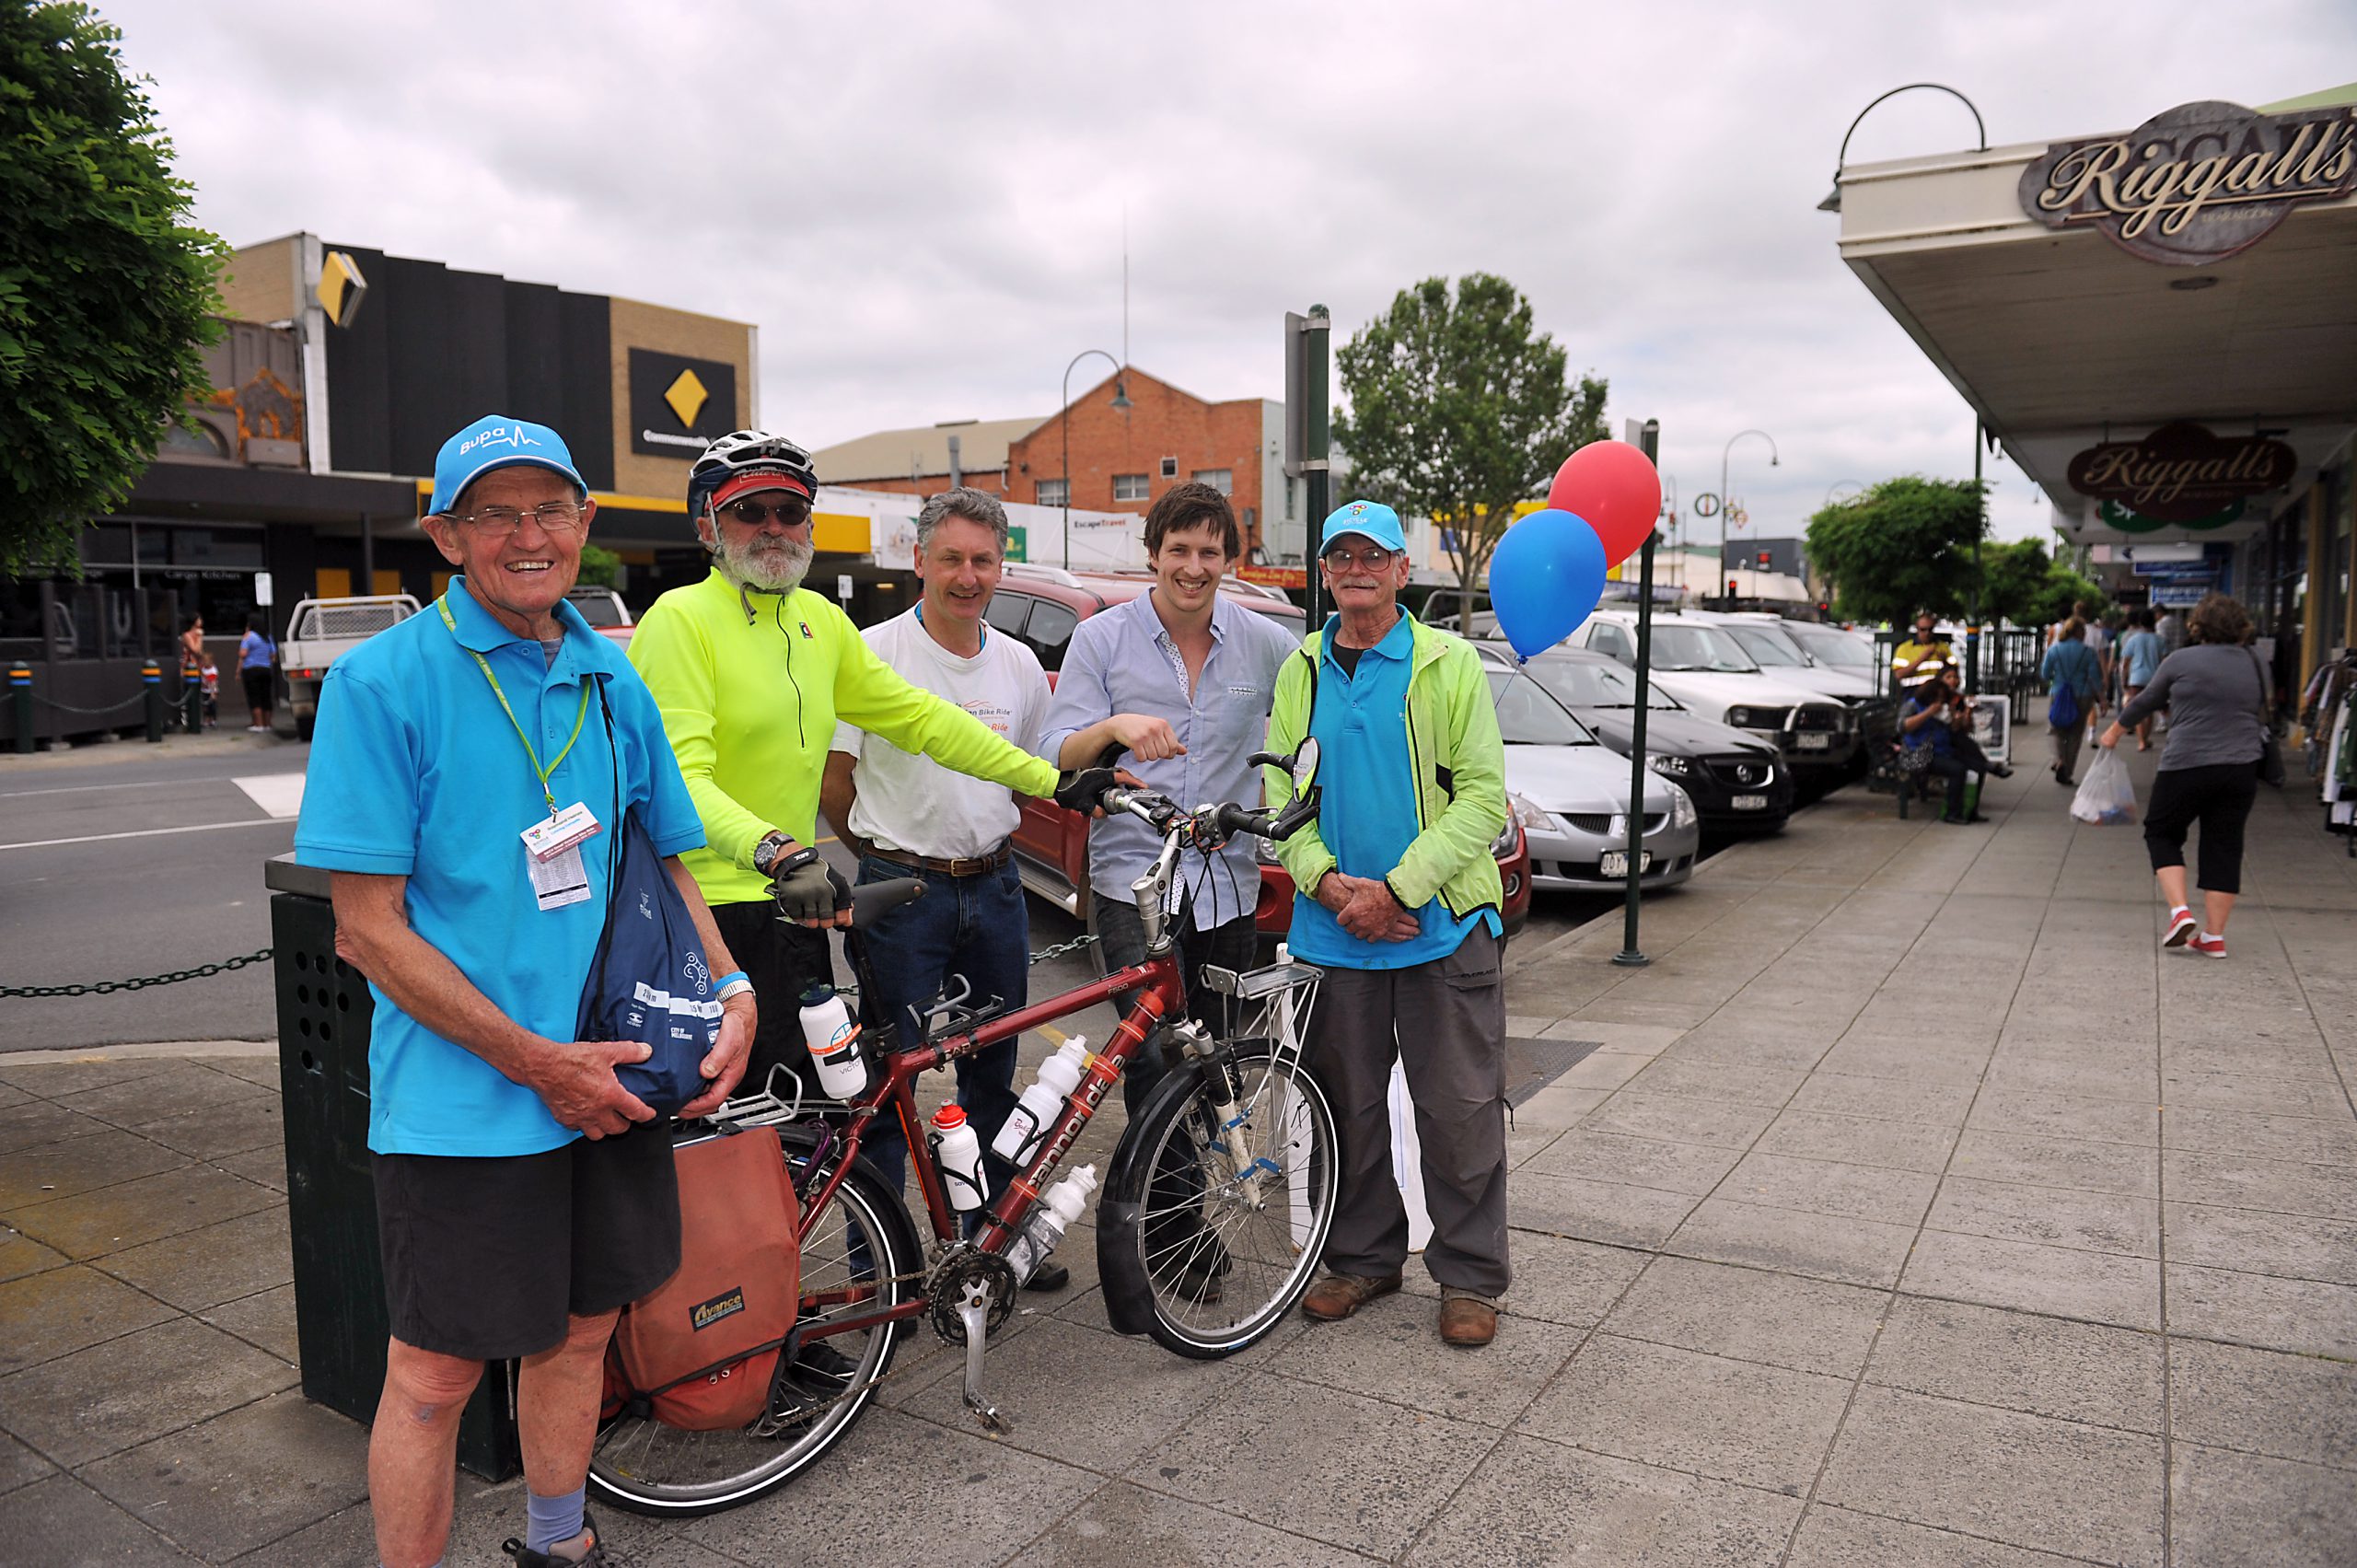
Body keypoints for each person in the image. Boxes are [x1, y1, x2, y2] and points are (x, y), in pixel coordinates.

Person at [294, 415, 756, 1568]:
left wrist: (732, 981)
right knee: (433, 1376)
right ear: (447, 536)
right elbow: (364, 928)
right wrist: (537, 1063)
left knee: (582, 1333)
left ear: (584, 522)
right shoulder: (379, 683)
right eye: (493, 513)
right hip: (467, 1104)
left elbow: (664, 859)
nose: (527, 534)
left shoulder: (611, 674)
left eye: (548, 507)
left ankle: (561, 1543)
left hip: (613, 1076)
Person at [628, 432, 1105, 1104]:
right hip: (711, 914)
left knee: (810, 1111)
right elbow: (680, 781)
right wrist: (777, 850)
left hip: (794, 906)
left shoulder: (819, 620)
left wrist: (1052, 781)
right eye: (750, 511)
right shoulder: (681, 620)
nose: (773, 527)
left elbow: (923, 719)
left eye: (790, 511)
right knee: (725, 1119)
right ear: (708, 524)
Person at [820, 488, 1113, 1289]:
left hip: (994, 889)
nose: (967, 575)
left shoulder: (1018, 665)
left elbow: (1025, 778)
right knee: (888, 1086)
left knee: (993, 1078)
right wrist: (884, 860)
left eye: (983, 560)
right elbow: (836, 784)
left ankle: (987, 1245)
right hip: (900, 894)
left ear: (1000, 566)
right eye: (950, 557)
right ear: (919, 560)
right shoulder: (870, 653)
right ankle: (880, 1272)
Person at [1264, 500, 1511, 1349]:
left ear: (1403, 570)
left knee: (1459, 1111)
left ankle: (1469, 1276)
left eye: (1374, 555)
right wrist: (1331, 886)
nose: (1357, 569)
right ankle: (1361, 1259)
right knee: (1347, 1111)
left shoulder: (1450, 662)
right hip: (1333, 931)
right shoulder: (1300, 669)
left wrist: (1398, 892)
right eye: (1342, 556)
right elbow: (1281, 795)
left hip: (1439, 927)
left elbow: (1483, 798)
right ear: (1323, 572)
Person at [1039, 481, 1299, 1118]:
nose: (1193, 567)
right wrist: (1113, 728)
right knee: (1154, 1055)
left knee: (1216, 1056)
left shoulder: (1268, 643)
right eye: (1179, 549)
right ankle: (1159, 1188)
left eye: (1209, 552)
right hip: (1134, 883)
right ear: (1152, 553)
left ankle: (1205, 1179)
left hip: (1229, 885)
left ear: (1229, 558)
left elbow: (1313, 728)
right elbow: (1053, 752)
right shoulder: (1101, 638)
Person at [2101, 593, 2267, 959]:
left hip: (2186, 763)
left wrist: (2114, 731)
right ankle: (2214, 937)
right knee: (2224, 845)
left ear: (2198, 626)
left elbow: (2146, 700)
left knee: (2161, 831)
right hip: (2240, 766)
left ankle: (2180, 912)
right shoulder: (2256, 662)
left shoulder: (2181, 660)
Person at [1899, 674, 1984, 823]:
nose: (1939, 702)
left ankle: (1971, 810)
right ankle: (1952, 813)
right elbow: (1903, 727)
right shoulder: (1913, 705)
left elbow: (1954, 729)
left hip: (1941, 750)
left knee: (1979, 766)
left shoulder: (1943, 710)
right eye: (1937, 699)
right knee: (1957, 770)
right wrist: (1928, 713)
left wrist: (1956, 718)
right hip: (1918, 754)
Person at [2040, 618, 2103, 785]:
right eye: (2083, 631)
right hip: (2082, 694)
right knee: (2075, 734)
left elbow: (2045, 674)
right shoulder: (2088, 652)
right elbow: (2095, 678)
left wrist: (2057, 679)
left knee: (2055, 730)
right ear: (2078, 632)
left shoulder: (2054, 650)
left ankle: (2058, 759)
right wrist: (2102, 698)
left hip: (2058, 693)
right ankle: (2067, 772)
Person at [2118, 608, 2164, 750]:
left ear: (2140, 623)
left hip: (2136, 678)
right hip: (2154, 678)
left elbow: (2125, 663)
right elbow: (2164, 661)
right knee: (2149, 711)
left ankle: (2141, 741)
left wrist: (2124, 680)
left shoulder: (2133, 639)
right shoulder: (2160, 640)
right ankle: (2146, 738)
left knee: (2138, 709)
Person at [1890, 611, 1950, 693]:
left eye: (1930, 629)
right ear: (1917, 629)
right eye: (1923, 629)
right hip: (1912, 692)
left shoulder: (1943, 647)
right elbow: (1899, 675)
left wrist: (1945, 661)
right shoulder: (1904, 649)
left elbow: (1954, 672)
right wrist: (1922, 659)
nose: (1927, 633)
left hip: (1938, 693)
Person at [238, 613, 276, 733]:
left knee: (254, 697)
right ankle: (267, 724)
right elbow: (273, 655)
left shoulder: (249, 636)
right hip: (266, 669)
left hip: (251, 669)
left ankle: (258, 724)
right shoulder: (267, 637)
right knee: (266, 697)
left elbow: (243, 654)